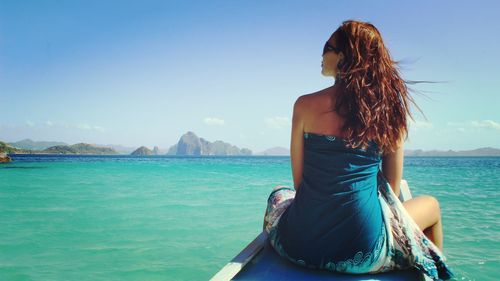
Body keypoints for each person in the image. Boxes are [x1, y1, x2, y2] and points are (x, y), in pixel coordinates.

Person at [262, 20, 454, 280]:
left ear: (343, 57)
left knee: (278, 193)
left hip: (299, 248)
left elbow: (300, 184)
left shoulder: (304, 105)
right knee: (431, 205)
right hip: (363, 253)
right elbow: (392, 192)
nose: (320, 55)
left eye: (326, 47)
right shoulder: (388, 110)